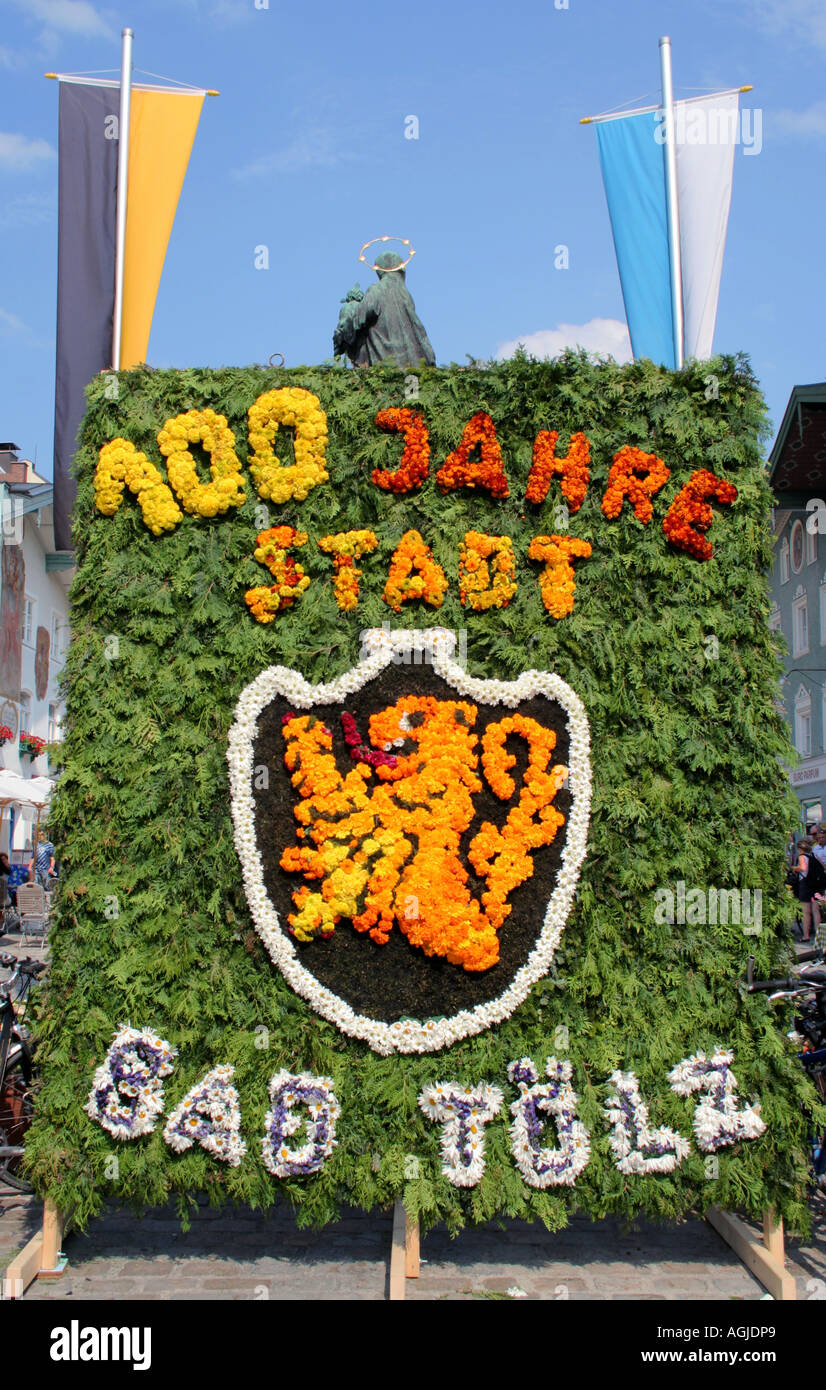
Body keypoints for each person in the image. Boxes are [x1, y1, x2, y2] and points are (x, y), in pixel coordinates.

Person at [332, 251, 435, 368]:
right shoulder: (405, 294)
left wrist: (342, 333)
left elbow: (357, 319)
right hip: (412, 362)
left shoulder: (377, 290)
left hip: (387, 363)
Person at [797, 837, 825, 941]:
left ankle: (806, 935)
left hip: (806, 886)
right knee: (816, 911)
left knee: (806, 912)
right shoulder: (814, 856)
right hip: (816, 886)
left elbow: (803, 868)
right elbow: (823, 866)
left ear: (800, 849)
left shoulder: (802, 857)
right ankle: (819, 936)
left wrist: (795, 868)